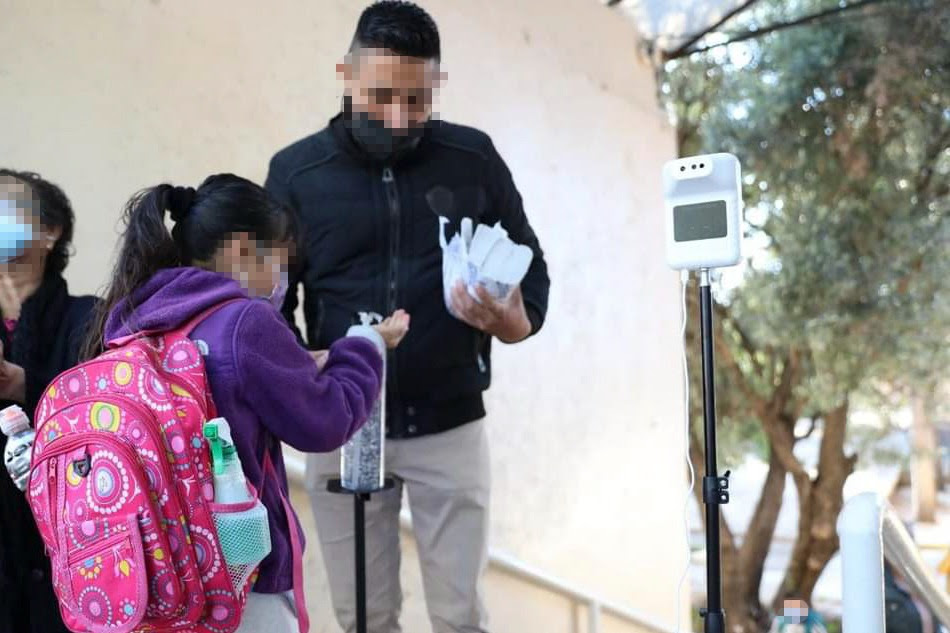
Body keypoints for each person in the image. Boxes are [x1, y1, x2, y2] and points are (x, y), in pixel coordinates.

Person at [265, 2, 550, 631]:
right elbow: (269, 307)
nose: (398, 119)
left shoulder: (473, 158)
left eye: (417, 101)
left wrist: (509, 320)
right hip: (343, 423)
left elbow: (533, 276)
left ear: (436, 85)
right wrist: (301, 367)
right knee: (364, 618)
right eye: (380, 96)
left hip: (451, 425)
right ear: (346, 76)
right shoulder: (295, 174)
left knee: (460, 616)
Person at [82, 174, 409, 632]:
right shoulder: (244, 320)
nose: (282, 277)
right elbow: (325, 420)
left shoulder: (134, 318)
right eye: (279, 259)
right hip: (240, 570)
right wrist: (365, 345)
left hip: (155, 570)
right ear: (239, 249)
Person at [0, 169, 98, 633]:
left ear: (50, 231)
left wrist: (26, 386)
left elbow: (107, 416)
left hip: (77, 557)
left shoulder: (91, 319)